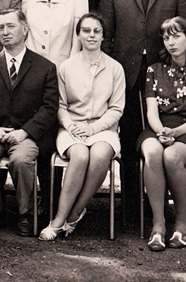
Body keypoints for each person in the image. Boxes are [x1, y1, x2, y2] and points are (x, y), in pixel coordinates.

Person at [98, 0, 186, 220]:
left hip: (164, 74)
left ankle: (161, 207)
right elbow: (106, 35)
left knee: (161, 139)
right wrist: (110, 72)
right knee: (130, 138)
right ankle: (131, 209)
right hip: (125, 73)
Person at [0, 9, 58, 236]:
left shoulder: (45, 67)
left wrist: (25, 132)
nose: (5, 32)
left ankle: (25, 213)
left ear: (25, 29)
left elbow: (49, 108)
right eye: (0, 28)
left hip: (24, 136)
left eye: (10, 26)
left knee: (21, 159)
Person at [38, 13, 125, 240]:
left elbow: (116, 109)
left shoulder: (115, 68)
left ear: (103, 35)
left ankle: (76, 212)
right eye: (86, 31)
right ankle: (59, 219)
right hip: (72, 128)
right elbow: (60, 105)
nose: (91, 35)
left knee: (99, 155)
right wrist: (70, 125)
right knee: (80, 155)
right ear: (78, 35)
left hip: (103, 128)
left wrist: (94, 129)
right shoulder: (66, 67)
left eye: (97, 31)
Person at [139, 17, 186, 251]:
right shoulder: (154, 70)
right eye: (167, 38)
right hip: (159, 127)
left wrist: (176, 132)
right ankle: (158, 225)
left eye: (176, 36)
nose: (171, 42)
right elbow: (151, 111)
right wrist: (161, 131)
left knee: (172, 156)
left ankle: (182, 222)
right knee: (152, 152)